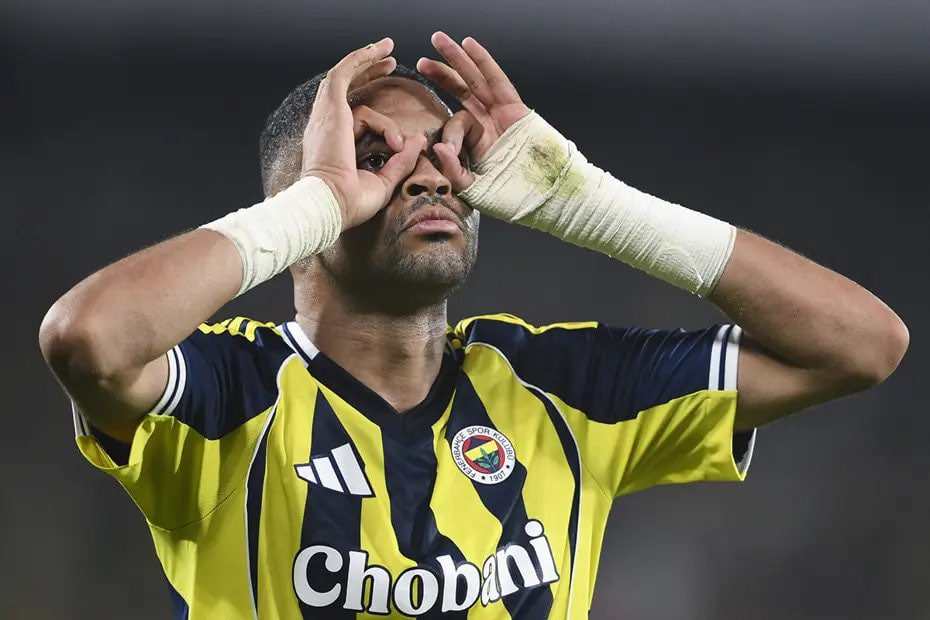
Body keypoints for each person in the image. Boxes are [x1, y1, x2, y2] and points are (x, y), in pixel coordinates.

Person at [39, 32, 908, 619]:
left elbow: (862, 345)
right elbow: (88, 337)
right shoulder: (230, 397)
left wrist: (592, 204)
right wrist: (322, 202)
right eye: (376, 157)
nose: (428, 178)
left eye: (445, 153)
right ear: (296, 207)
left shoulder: (564, 389)